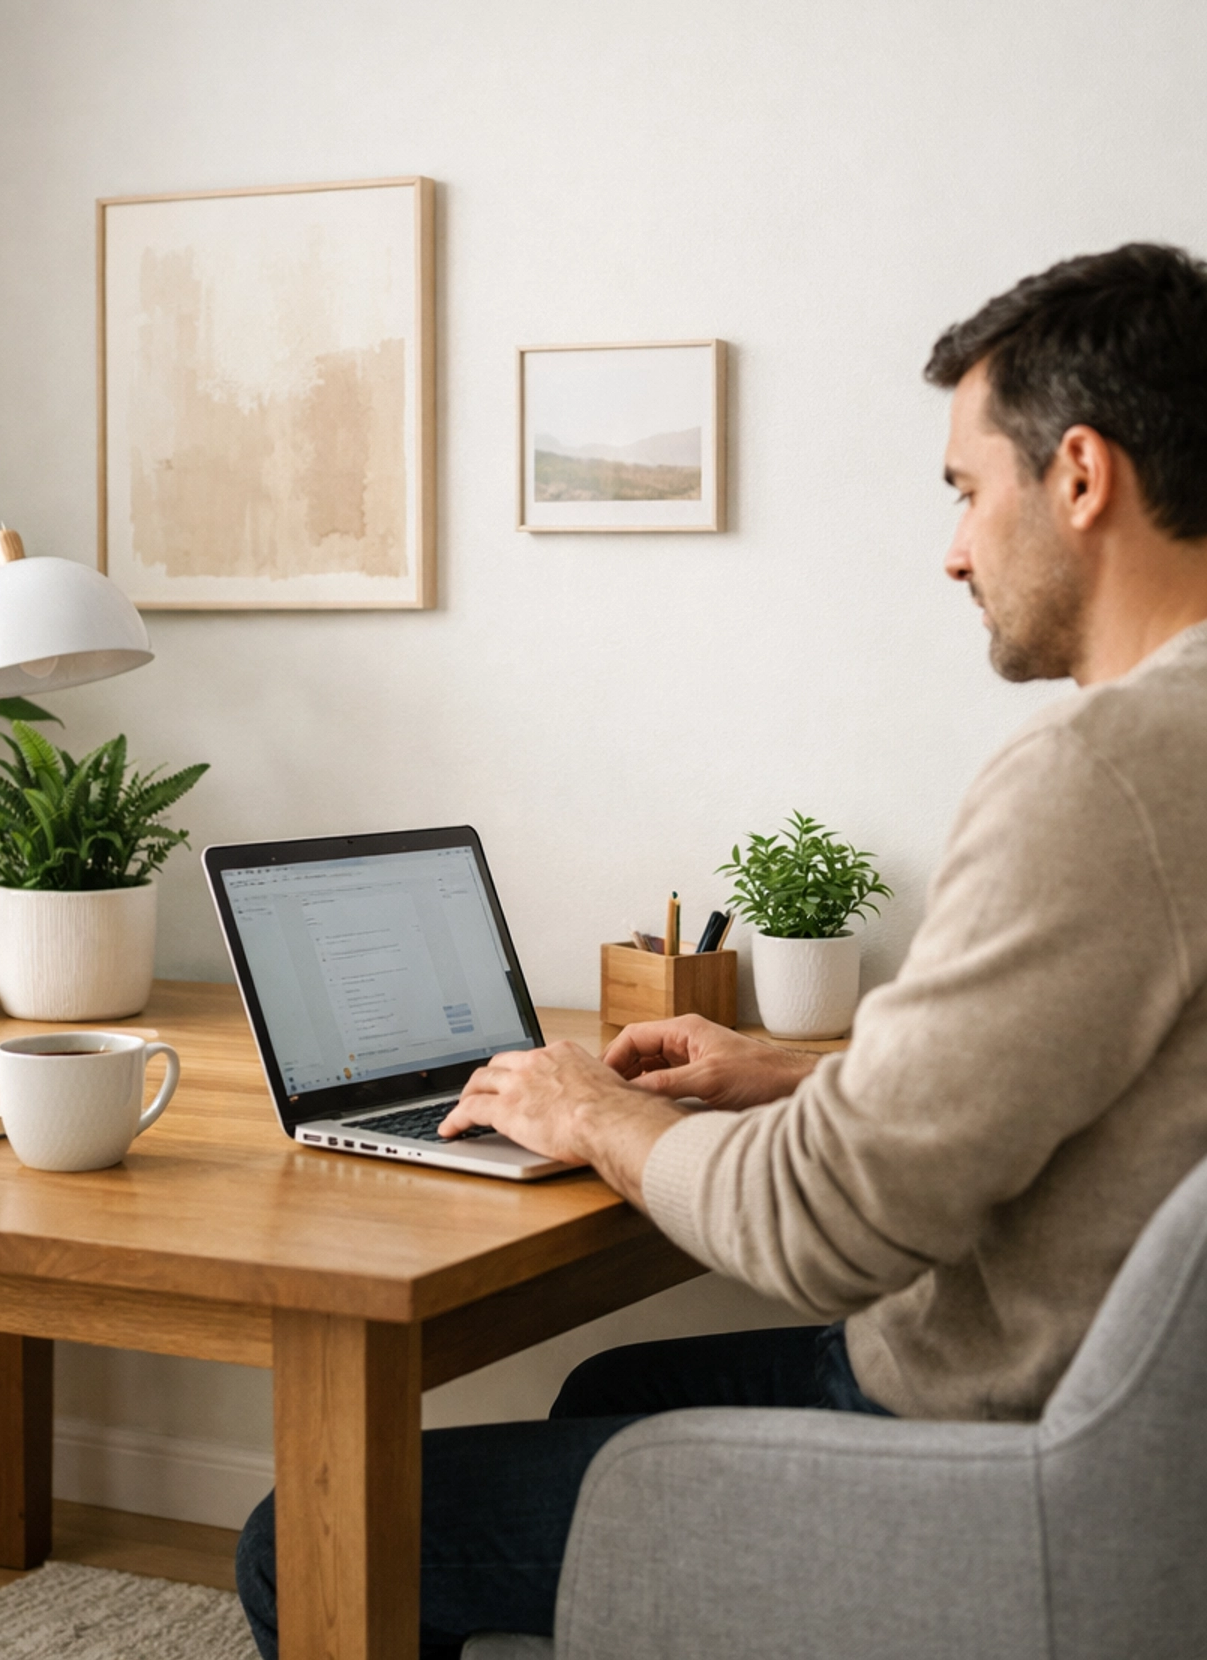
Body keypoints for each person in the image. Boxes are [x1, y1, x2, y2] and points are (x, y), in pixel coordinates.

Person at [238, 241, 1207, 1660]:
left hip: (1004, 1443)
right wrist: (803, 1074)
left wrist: (592, 1110)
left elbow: (822, 1233)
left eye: (964, 488)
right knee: (605, 1392)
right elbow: (1102, 1084)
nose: (950, 547)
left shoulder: (1109, 772)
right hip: (1112, 1416)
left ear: (1078, 476)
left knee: (312, 1528)